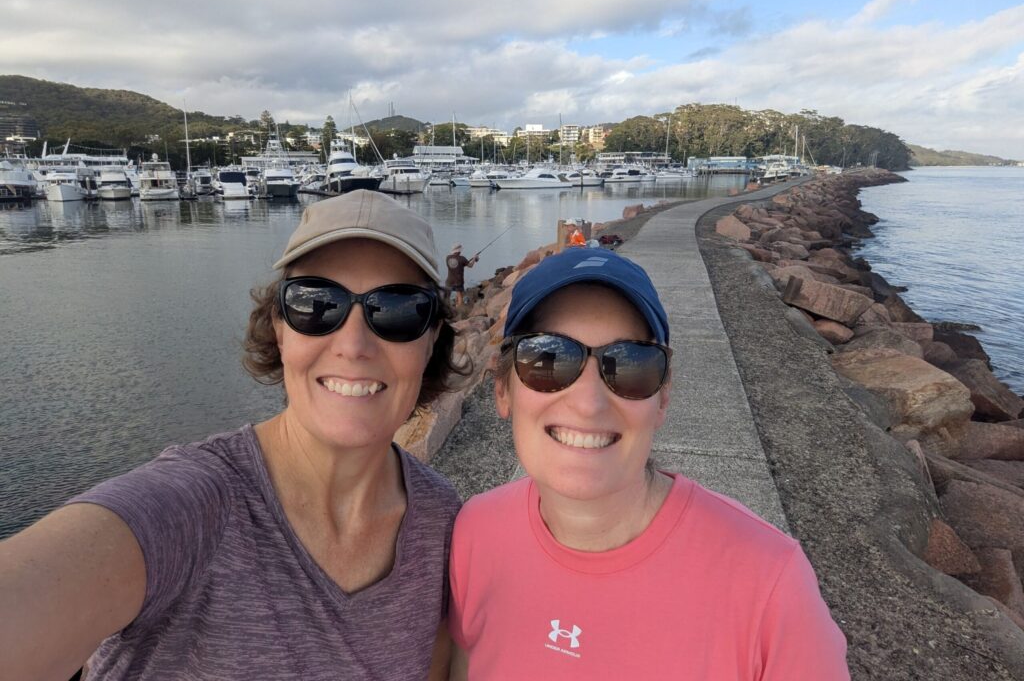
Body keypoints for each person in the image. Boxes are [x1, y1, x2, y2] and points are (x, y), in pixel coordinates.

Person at [0, 190, 468, 680]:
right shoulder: (190, 507)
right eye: (315, 304)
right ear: (280, 328)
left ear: (432, 338)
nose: (353, 345)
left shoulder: (440, 522)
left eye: (396, 310)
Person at [448, 247, 849, 679]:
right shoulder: (475, 534)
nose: (588, 403)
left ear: (663, 396)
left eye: (628, 365)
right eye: (548, 359)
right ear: (503, 390)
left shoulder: (770, 585)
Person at [445, 243, 478, 308]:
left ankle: (448, 308)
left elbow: (457, 265)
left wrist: (463, 264)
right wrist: (474, 258)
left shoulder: (447, 258)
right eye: (460, 250)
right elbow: (470, 266)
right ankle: (458, 309)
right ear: (459, 251)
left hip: (449, 281)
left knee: (447, 296)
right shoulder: (462, 259)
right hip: (458, 281)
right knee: (459, 295)